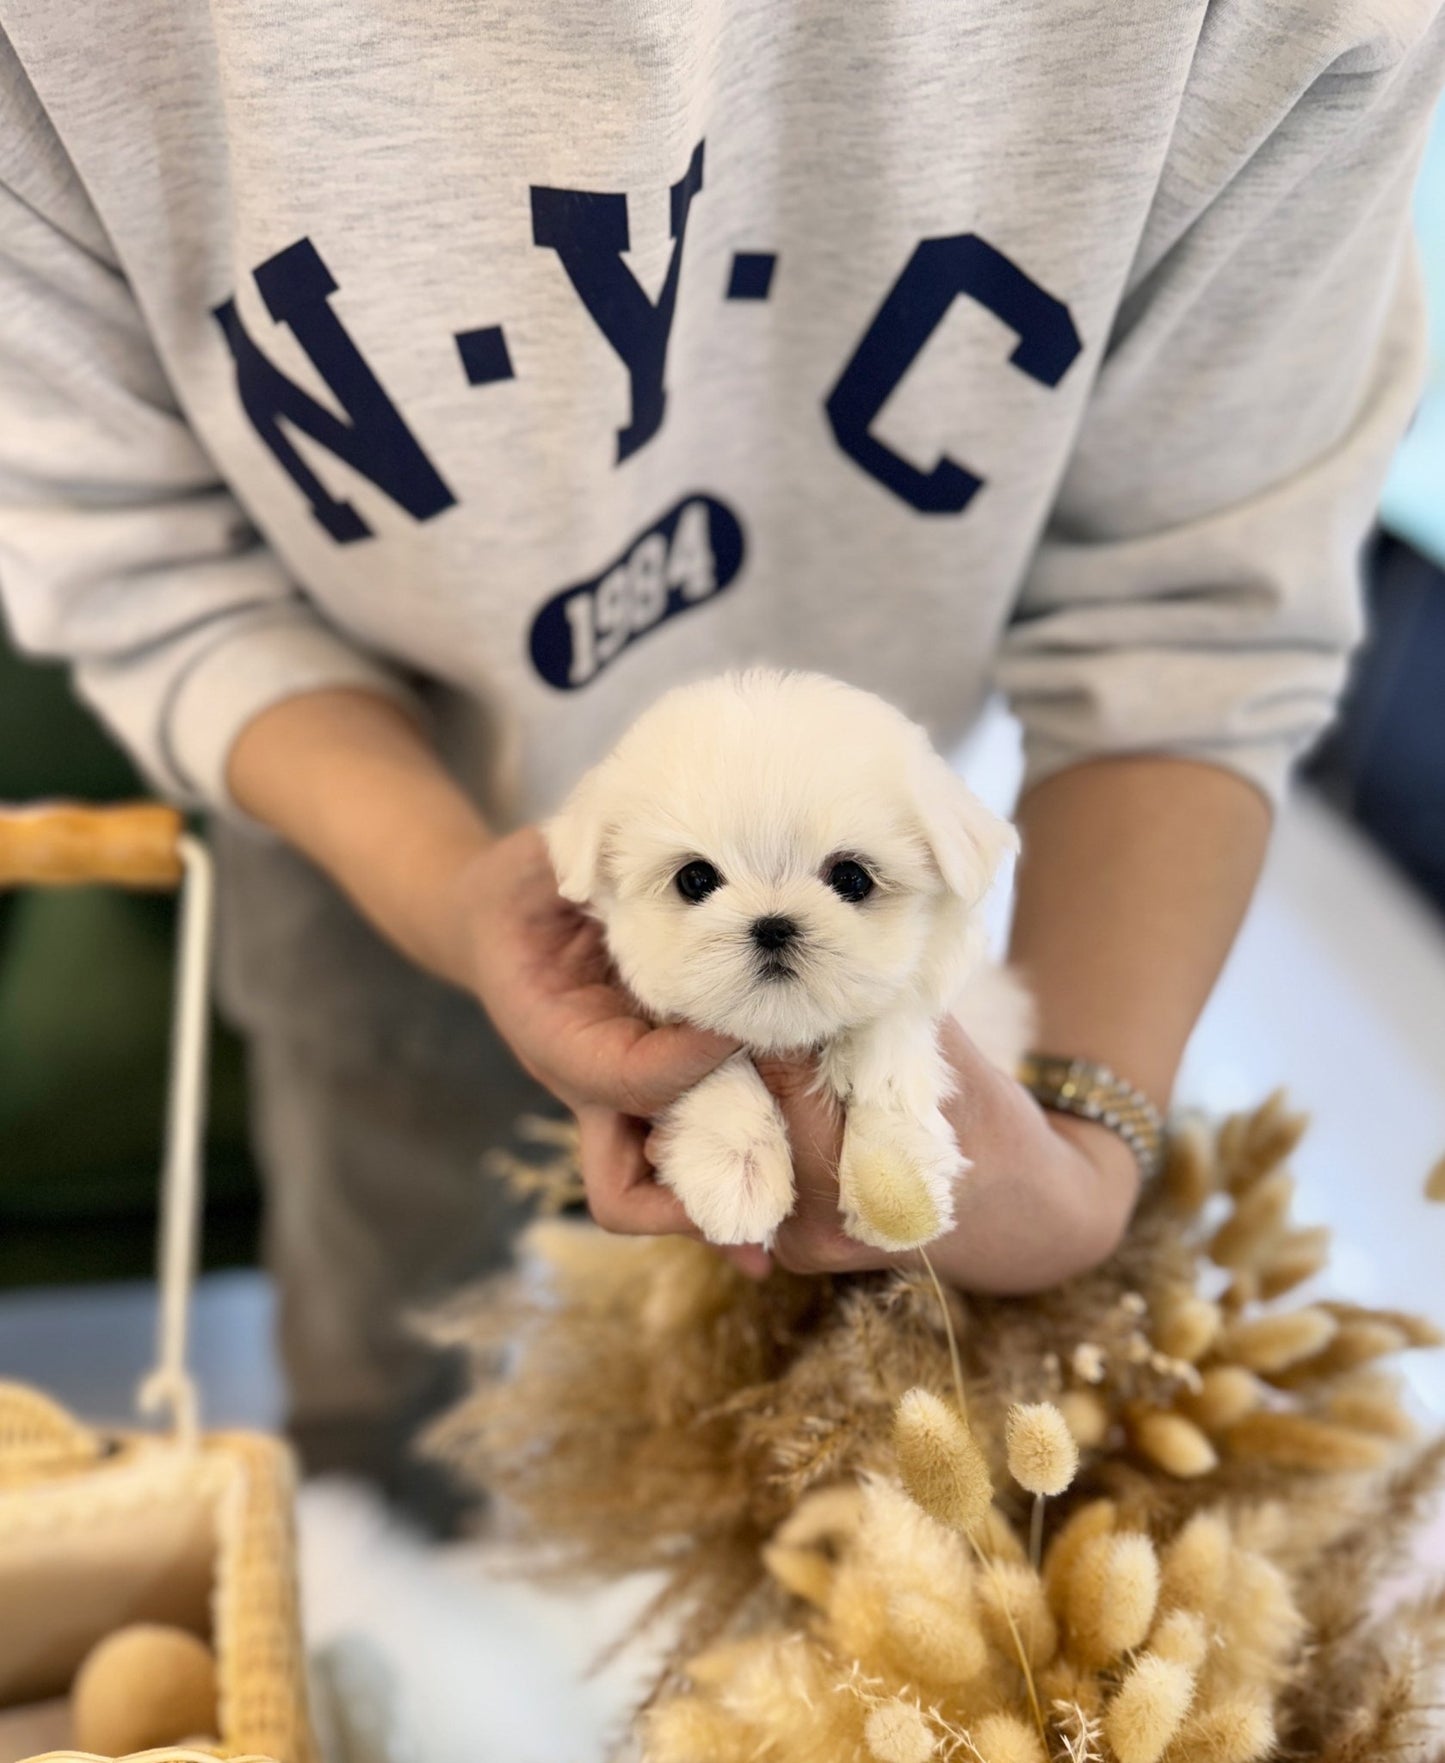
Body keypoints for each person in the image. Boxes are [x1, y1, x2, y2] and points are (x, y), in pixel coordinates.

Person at [3, 1, 1442, 1503]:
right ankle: (386, 1518)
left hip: (888, 785)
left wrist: (1089, 1137)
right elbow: (146, 557)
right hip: (364, 810)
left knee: (821, 1411)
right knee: (391, 1320)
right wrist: (437, 890)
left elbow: (1192, 605)